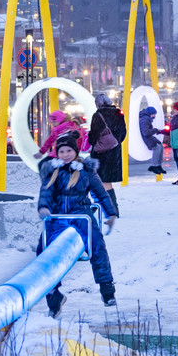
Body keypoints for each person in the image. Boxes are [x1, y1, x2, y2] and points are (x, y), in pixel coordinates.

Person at [37, 131, 118, 318]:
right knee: (43, 249)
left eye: (68, 151)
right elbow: (46, 193)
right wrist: (44, 208)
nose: (65, 155)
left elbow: (100, 192)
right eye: (61, 151)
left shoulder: (86, 171)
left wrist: (110, 213)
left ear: (75, 151)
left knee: (97, 245)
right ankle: (53, 295)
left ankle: (107, 289)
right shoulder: (52, 171)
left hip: (80, 213)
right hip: (58, 216)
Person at [87, 93, 127, 216]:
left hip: (100, 153)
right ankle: (109, 207)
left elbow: (93, 136)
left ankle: (109, 209)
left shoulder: (98, 115)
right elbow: (123, 133)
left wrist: (92, 140)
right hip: (114, 152)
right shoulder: (118, 114)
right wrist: (114, 142)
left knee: (99, 180)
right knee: (106, 180)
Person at [139, 106, 165, 174]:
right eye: (154, 114)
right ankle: (154, 165)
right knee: (157, 147)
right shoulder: (145, 120)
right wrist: (155, 130)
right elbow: (145, 132)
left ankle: (158, 165)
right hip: (146, 138)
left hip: (148, 137)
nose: (154, 116)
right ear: (150, 114)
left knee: (160, 146)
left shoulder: (147, 119)